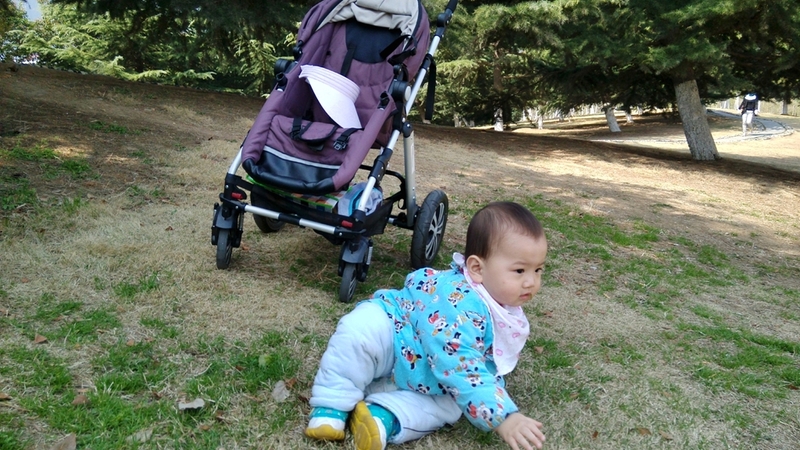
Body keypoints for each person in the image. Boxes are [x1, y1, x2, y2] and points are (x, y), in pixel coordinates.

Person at [305, 201, 548, 450]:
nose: (531, 282)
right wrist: (503, 416)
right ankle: (331, 405)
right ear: (477, 268)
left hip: (429, 376)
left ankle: (383, 416)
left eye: (538, 269)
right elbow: (461, 365)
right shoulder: (462, 305)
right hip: (396, 337)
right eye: (520, 271)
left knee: (450, 405)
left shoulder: (501, 306)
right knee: (360, 329)